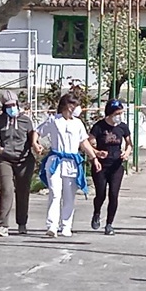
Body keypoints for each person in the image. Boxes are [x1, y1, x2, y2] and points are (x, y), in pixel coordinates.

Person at [36, 94, 102, 238]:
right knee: (55, 193)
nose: (77, 108)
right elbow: (37, 132)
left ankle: (66, 226)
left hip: (72, 163)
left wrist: (94, 158)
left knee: (69, 196)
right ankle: (52, 226)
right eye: (74, 105)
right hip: (55, 161)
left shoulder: (78, 123)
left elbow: (83, 142)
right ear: (67, 105)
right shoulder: (54, 120)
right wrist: (36, 144)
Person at [0, 90, 40, 237]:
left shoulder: (26, 120)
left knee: (23, 191)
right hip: (5, 159)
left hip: (24, 160)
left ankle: (22, 223)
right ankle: (3, 225)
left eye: (13, 105)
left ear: (17, 104)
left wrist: (36, 146)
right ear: (3, 107)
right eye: (8, 106)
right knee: (7, 189)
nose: (11, 108)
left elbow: (33, 138)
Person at [89, 99, 132, 236]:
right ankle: (96, 213)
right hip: (101, 166)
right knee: (100, 194)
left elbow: (129, 143)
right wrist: (96, 153)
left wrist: (126, 153)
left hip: (116, 165)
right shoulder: (98, 127)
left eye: (121, 113)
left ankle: (109, 224)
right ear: (110, 114)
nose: (119, 116)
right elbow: (88, 144)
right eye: (117, 113)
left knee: (113, 194)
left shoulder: (123, 127)